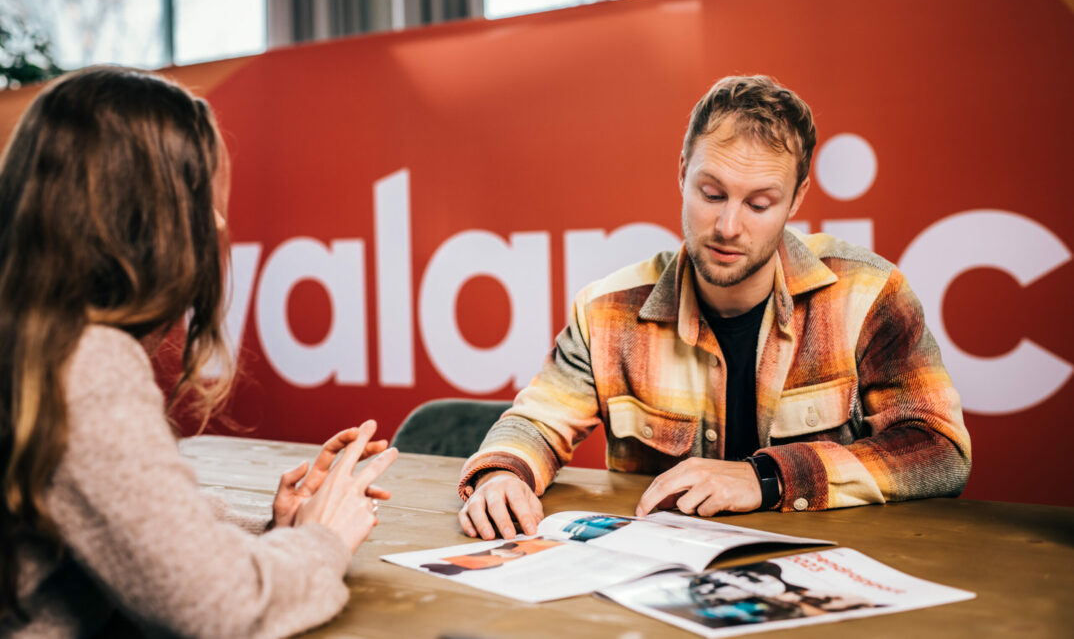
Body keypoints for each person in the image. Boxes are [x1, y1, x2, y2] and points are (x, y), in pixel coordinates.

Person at [457, 75, 971, 540]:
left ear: (796, 200)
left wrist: (766, 477)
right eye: (711, 193)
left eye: (759, 204)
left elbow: (940, 451)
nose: (727, 226)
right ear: (682, 173)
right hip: (656, 584)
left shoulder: (867, 293)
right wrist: (504, 474)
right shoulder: (606, 311)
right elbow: (535, 422)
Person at [0, 67, 398, 637]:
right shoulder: (85, 361)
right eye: (201, 202)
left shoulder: (34, 340)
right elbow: (221, 607)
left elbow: (102, 514)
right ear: (147, 219)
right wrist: (322, 539)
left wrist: (273, 528)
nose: (216, 225)